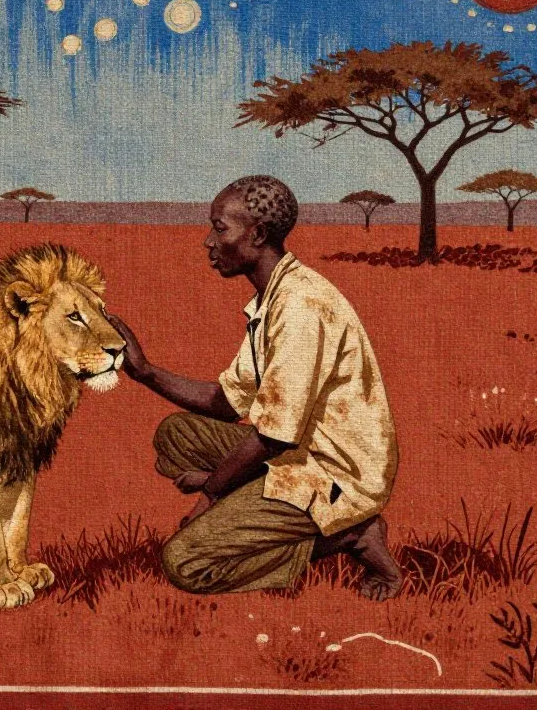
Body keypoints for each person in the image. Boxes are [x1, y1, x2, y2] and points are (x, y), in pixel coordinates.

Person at [107, 175, 402, 600]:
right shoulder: (274, 296)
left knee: (185, 563)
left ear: (258, 234)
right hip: (302, 454)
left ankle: (351, 534)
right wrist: (145, 372)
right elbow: (227, 402)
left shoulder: (301, 307)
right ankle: (262, 504)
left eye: (219, 228)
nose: (208, 241)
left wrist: (211, 494)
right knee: (177, 435)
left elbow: (273, 437)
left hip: (335, 474)